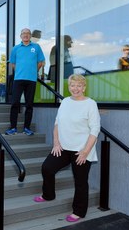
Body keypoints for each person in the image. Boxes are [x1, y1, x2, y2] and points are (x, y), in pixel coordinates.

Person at [34, 74, 101, 223]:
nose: (75, 88)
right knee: (47, 168)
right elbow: (57, 123)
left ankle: (79, 211)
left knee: (80, 182)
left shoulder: (90, 104)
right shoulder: (64, 102)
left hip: (81, 150)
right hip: (63, 147)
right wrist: (56, 143)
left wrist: (85, 151)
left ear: (84, 87)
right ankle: (48, 195)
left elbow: (95, 129)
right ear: (69, 87)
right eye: (72, 85)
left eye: (78, 85)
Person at [5, 28, 45, 136]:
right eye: (23, 33)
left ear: (30, 36)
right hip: (18, 79)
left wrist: (33, 70)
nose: (26, 35)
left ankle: (27, 128)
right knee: (15, 103)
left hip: (31, 80)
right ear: (20, 36)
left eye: (28, 33)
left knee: (29, 104)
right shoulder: (16, 48)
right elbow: (13, 63)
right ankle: (13, 128)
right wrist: (20, 71)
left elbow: (41, 62)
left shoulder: (36, 47)